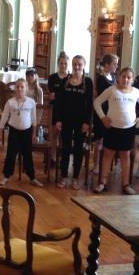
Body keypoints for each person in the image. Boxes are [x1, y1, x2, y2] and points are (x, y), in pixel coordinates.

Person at [93, 67, 139, 195]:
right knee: (108, 155)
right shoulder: (111, 90)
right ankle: (102, 182)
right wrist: (103, 117)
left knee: (125, 156)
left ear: (133, 80)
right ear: (119, 77)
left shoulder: (136, 92)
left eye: (129, 77)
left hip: (128, 129)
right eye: (123, 76)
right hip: (112, 128)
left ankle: (126, 184)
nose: (126, 79)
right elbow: (97, 102)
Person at [55, 55, 93, 190]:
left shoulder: (88, 82)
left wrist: (87, 122)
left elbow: (89, 105)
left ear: (84, 66)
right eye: (75, 64)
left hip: (81, 122)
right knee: (65, 148)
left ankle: (76, 178)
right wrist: (58, 120)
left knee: (78, 149)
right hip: (66, 120)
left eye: (79, 64)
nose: (77, 67)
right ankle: (64, 176)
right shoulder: (65, 80)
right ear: (72, 65)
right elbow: (59, 103)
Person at [0, 78, 43, 187]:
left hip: (27, 132)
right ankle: (6, 176)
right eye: (17, 87)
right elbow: (4, 118)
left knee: (28, 155)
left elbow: (34, 119)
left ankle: (32, 177)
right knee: (11, 155)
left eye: (22, 87)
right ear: (14, 89)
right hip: (14, 132)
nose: (19, 89)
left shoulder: (31, 102)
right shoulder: (10, 102)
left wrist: (34, 133)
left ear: (26, 89)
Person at [92, 53, 119, 175]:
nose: (116, 66)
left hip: (111, 111)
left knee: (106, 140)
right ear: (107, 64)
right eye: (114, 64)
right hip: (101, 111)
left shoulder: (113, 78)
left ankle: (104, 164)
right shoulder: (101, 78)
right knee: (99, 140)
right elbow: (104, 94)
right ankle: (96, 164)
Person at [47, 52, 69, 165]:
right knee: (54, 135)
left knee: (63, 136)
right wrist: (61, 95)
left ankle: (61, 159)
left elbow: (69, 97)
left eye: (65, 63)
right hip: (55, 109)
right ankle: (53, 157)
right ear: (58, 64)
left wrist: (58, 95)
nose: (63, 66)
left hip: (67, 110)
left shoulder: (70, 79)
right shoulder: (52, 78)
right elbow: (51, 97)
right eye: (61, 63)